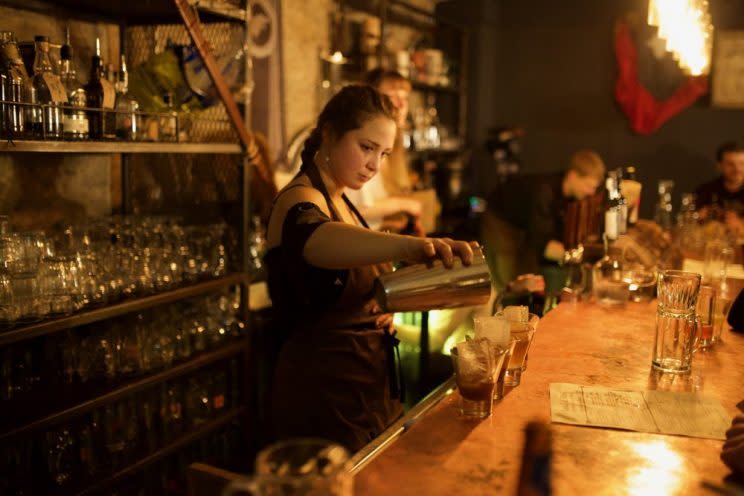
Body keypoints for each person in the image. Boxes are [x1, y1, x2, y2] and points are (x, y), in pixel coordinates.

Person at [265, 85, 476, 451]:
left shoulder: (341, 199)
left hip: (368, 389)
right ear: (329, 134)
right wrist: (412, 248)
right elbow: (317, 240)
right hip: (324, 394)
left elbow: (349, 284)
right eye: (366, 147)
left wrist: (381, 306)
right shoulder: (301, 200)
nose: (374, 166)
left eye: (384, 153)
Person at [482, 150, 606, 290]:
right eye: (589, 186)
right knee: (506, 274)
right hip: (501, 218)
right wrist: (581, 258)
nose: (592, 193)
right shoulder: (544, 192)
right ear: (573, 175)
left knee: (526, 270)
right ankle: (502, 305)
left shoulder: (568, 194)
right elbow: (543, 245)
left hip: (524, 223)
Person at [345, 69, 424, 235]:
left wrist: (391, 223)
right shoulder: (359, 143)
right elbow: (355, 208)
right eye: (393, 96)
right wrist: (405, 204)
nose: (402, 105)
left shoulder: (394, 149)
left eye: (405, 98)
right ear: (369, 99)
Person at [696, 140, 744, 236]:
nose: (737, 169)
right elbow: (692, 223)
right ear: (720, 166)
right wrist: (697, 218)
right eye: (730, 164)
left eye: (742, 164)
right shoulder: (706, 190)